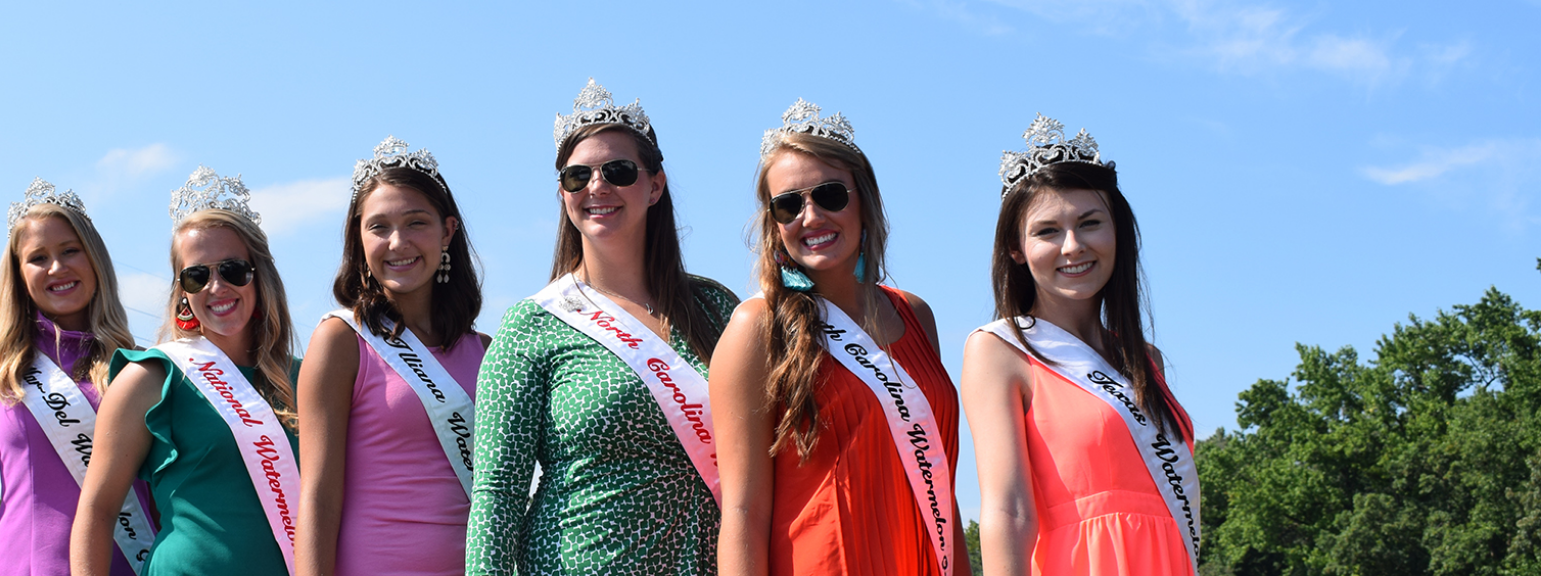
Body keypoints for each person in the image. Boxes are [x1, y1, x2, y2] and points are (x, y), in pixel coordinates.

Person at [466, 78, 739, 576]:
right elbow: (497, 496)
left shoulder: (716, 308)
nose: (597, 186)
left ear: (654, 185)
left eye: (618, 170)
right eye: (577, 176)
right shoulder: (532, 325)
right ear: (563, 193)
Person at [712, 100, 967, 576]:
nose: (810, 216)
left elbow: (941, 488)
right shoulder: (757, 328)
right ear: (774, 224)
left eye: (830, 195)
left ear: (864, 201)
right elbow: (744, 512)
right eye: (789, 204)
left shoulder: (915, 316)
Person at [962, 116, 1202, 576]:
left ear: (1117, 233)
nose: (1073, 246)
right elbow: (1007, 511)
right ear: (1017, 248)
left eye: (1090, 223)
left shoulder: (1145, 362)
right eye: (1047, 231)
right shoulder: (1000, 350)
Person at [69, 167, 302, 576]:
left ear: (259, 275)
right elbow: (97, 510)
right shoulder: (151, 379)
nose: (216, 287)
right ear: (182, 292)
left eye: (233, 270)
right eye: (197, 276)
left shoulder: (307, 379)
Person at [0, 179, 151, 576]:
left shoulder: (140, 368)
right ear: (19, 274)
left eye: (70, 250)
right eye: (38, 257)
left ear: (95, 259)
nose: (57, 268)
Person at [295, 137, 488, 576]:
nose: (398, 242)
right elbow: (318, 498)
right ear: (359, 240)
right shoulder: (341, 341)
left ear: (448, 232)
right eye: (379, 227)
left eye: (416, 222)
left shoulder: (486, 352)